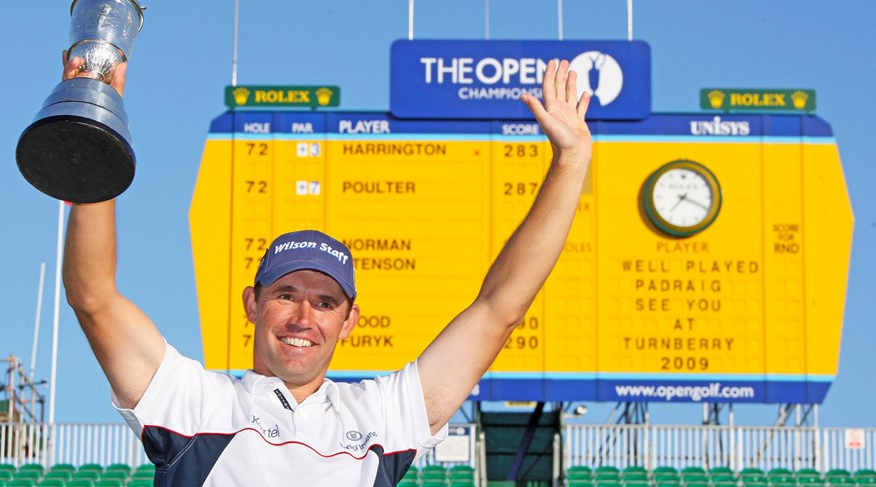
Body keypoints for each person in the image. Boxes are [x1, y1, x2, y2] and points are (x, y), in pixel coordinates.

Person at [62, 54, 592, 486]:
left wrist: (570, 161)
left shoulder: (381, 417)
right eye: (286, 294)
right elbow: (93, 298)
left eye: (325, 303)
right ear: (252, 303)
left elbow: (499, 309)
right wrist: (95, 117)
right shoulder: (195, 403)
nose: (302, 317)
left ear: (350, 320)